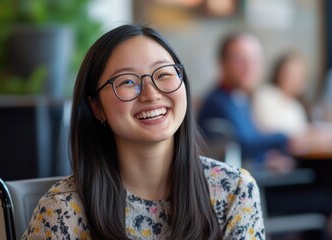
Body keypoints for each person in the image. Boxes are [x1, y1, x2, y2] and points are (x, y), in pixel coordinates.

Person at [22, 25, 264, 239]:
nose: (151, 94)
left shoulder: (234, 191)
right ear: (96, 107)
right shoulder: (64, 210)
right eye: (127, 81)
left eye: (164, 74)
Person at [197, 32, 295, 172]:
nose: (249, 68)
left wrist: (265, 159)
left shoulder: (240, 98)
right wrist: (287, 137)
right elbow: (244, 144)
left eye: (255, 61)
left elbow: (251, 142)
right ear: (223, 63)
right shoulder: (217, 102)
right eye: (240, 60)